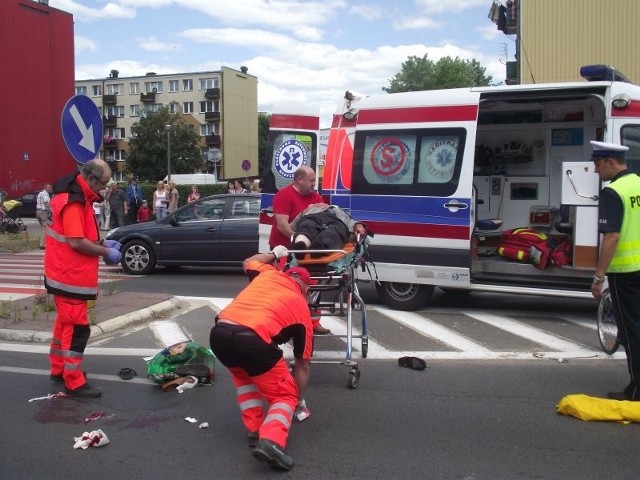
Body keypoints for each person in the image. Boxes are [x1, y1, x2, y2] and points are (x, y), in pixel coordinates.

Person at [209, 246, 313, 471]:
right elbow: (303, 365)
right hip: (253, 339)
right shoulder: (301, 307)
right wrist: (298, 401)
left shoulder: (267, 274)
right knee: (284, 395)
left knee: (245, 379)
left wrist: (275, 254)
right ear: (305, 288)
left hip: (220, 333)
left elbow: (249, 260)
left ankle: (255, 430)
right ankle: (272, 442)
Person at [44, 159, 123, 398]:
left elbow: (80, 235)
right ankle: (73, 380)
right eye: (104, 183)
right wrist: (105, 252)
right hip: (70, 276)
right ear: (90, 178)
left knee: (64, 325)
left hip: (64, 274)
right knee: (77, 329)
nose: (105, 188)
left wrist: (101, 243)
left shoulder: (75, 196)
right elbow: (76, 242)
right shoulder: (74, 201)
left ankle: (58, 370)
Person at [590, 140, 640, 401]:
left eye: (598, 164)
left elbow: (612, 237)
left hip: (626, 273)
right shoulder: (638, 184)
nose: (596, 171)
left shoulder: (614, 191)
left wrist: (599, 277)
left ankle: (637, 390)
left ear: (610, 161)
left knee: (631, 331)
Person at [268, 166, 328, 333]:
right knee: (287, 288)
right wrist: (299, 240)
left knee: (313, 284)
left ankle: (314, 323)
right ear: (299, 179)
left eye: (314, 181)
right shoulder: (284, 196)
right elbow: (282, 225)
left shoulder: (315, 197)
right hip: (285, 250)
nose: (314, 184)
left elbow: (324, 216)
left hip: (307, 251)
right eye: (311, 181)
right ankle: (285, 324)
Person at [35, 183, 52, 250]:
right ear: (45, 188)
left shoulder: (40, 193)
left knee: (43, 227)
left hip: (38, 211)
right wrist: (51, 210)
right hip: (43, 212)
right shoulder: (45, 194)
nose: (50, 189)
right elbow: (46, 203)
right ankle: (42, 244)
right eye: (49, 187)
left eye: (50, 187)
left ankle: (44, 242)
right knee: (45, 228)